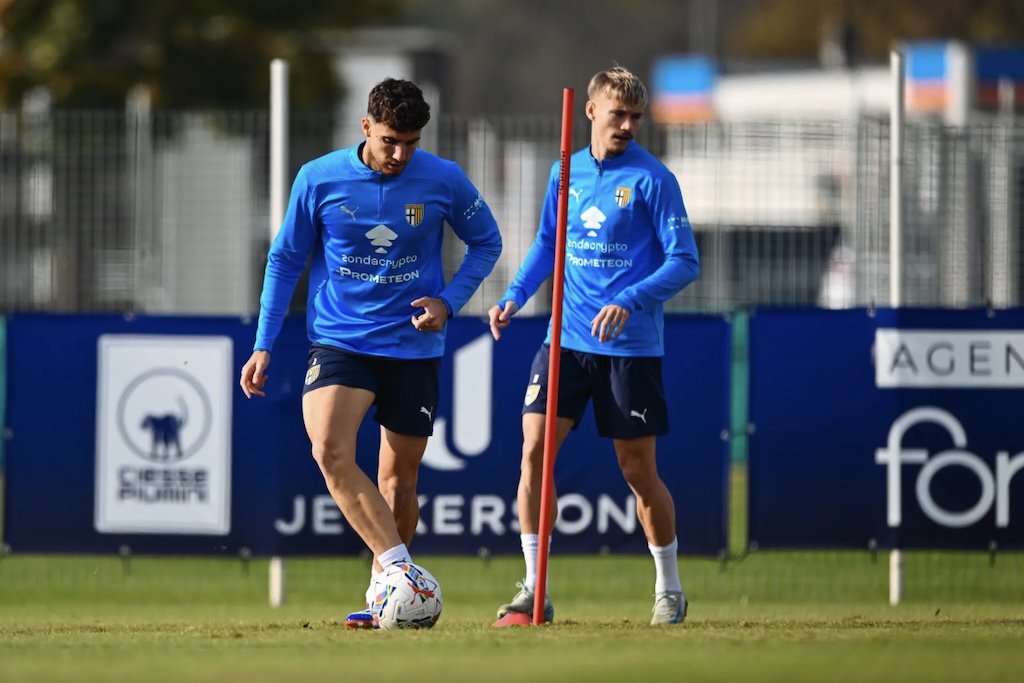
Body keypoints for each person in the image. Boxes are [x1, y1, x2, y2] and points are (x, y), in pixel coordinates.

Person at [240, 78, 502, 629]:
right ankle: (402, 573)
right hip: (341, 339)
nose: (400, 154)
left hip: (414, 346)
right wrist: (264, 342)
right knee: (330, 449)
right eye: (389, 141)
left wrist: (450, 302)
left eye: (410, 142)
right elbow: (285, 259)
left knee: (398, 483)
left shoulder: (444, 179)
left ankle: (385, 595)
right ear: (365, 128)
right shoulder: (319, 177)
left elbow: (488, 242)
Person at [488, 66, 699, 626]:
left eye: (635, 117)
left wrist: (629, 300)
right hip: (564, 341)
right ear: (591, 112)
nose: (627, 125)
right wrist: (513, 297)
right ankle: (534, 587)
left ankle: (669, 588)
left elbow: (685, 262)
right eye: (617, 115)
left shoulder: (655, 180)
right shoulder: (566, 171)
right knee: (534, 452)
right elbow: (546, 245)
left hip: (629, 348)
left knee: (637, 470)